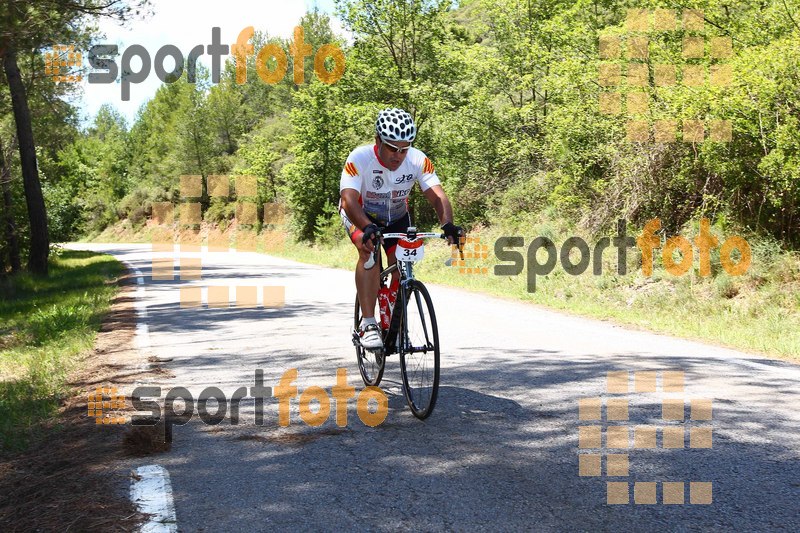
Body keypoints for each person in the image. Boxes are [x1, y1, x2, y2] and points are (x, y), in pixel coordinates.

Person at [339, 108, 463, 350]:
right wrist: (367, 227)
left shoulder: (418, 159)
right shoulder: (359, 158)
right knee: (369, 252)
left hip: (396, 216)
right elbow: (348, 200)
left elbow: (437, 196)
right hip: (360, 214)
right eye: (392, 148)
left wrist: (447, 223)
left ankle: (393, 318)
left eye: (404, 149)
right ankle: (368, 323)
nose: (398, 155)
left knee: (403, 264)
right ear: (378, 141)